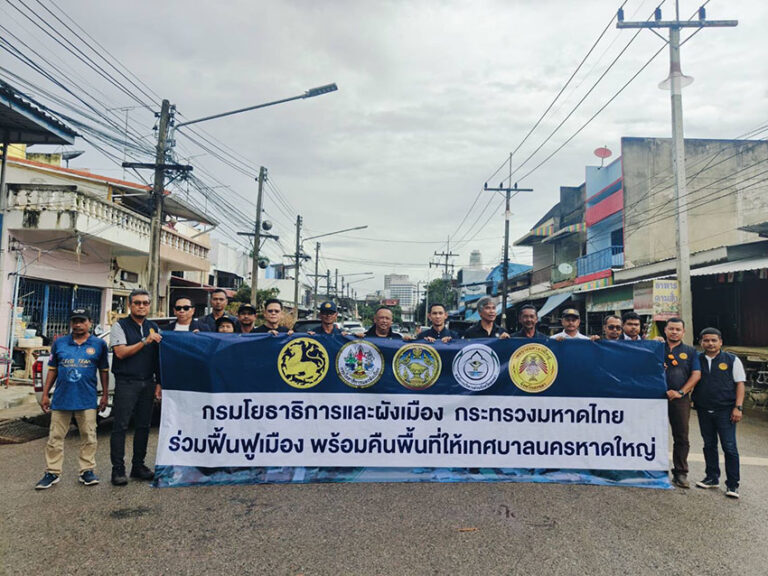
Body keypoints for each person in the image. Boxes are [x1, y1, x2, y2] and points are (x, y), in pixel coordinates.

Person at [35, 308, 109, 490]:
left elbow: (104, 371)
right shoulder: (60, 344)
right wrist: (45, 394)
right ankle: (52, 472)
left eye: (82, 321)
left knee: (89, 437)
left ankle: (87, 471)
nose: (77, 324)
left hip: (87, 399)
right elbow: (52, 369)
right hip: (62, 399)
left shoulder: (99, 344)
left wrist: (105, 395)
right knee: (55, 437)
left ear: (90, 323)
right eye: (74, 321)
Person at [109, 289, 162, 486]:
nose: (141, 306)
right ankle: (118, 469)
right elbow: (121, 353)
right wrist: (144, 341)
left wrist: (159, 382)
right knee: (120, 426)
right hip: (127, 382)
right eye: (137, 303)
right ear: (130, 305)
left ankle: (138, 466)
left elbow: (158, 356)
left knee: (143, 426)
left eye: (145, 303)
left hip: (147, 382)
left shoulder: (153, 326)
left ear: (149, 305)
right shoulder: (119, 326)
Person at [693, 327, 746, 499]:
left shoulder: (732, 360)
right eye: (706, 340)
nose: (710, 343)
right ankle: (711, 478)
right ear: (701, 342)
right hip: (703, 408)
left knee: (729, 447)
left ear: (720, 342)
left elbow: (740, 384)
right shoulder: (697, 359)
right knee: (709, 445)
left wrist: (738, 407)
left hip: (725, 410)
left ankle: (732, 485)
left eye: (714, 340)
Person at [662, 318, 701, 489]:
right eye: (671, 329)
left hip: (680, 399)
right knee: (651, 433)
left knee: (681, 436)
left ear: (683, 332)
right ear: (665, 330)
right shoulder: (656, 347)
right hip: (656, 398)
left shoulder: (691, 352)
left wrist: (680, 392)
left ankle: (681, 472)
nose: (674, 332)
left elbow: (696, 375)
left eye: (678, 329)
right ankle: (653, 469)